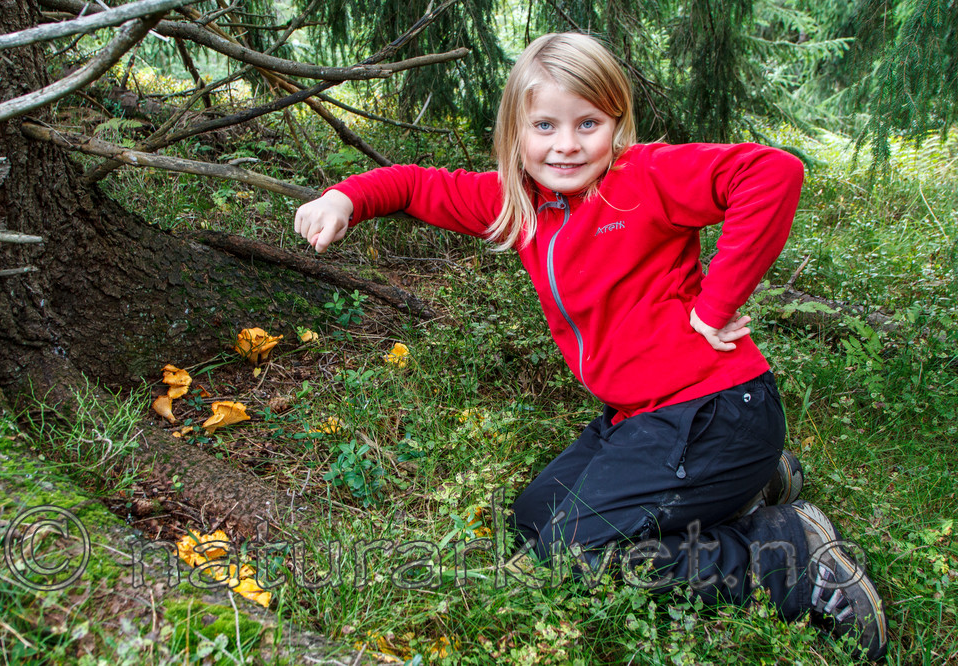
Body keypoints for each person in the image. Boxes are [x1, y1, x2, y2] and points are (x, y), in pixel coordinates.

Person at [294, 32, 887, 660]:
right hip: (642, 419)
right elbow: (417, 186)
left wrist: (716, 305)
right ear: (515, 134)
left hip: (714, 410)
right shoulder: (519, 201)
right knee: (533, 521)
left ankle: (791, 554)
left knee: (573, 552)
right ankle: (757, 479)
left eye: (589, 123)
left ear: (617, 123)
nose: (567, 144)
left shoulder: (643, 178)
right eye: (545, 124)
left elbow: (771, 171)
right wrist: (345, 197)